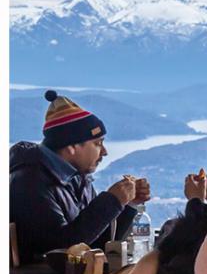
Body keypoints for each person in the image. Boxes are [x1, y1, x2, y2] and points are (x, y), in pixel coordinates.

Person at [10, 89, 150, 262]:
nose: (105, 152)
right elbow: (60, 249)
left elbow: (96, 242)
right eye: (98, 144)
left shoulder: (77, 177)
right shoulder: (29, 182)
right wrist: (112, 201)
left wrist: (128, 204)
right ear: (71, 147)